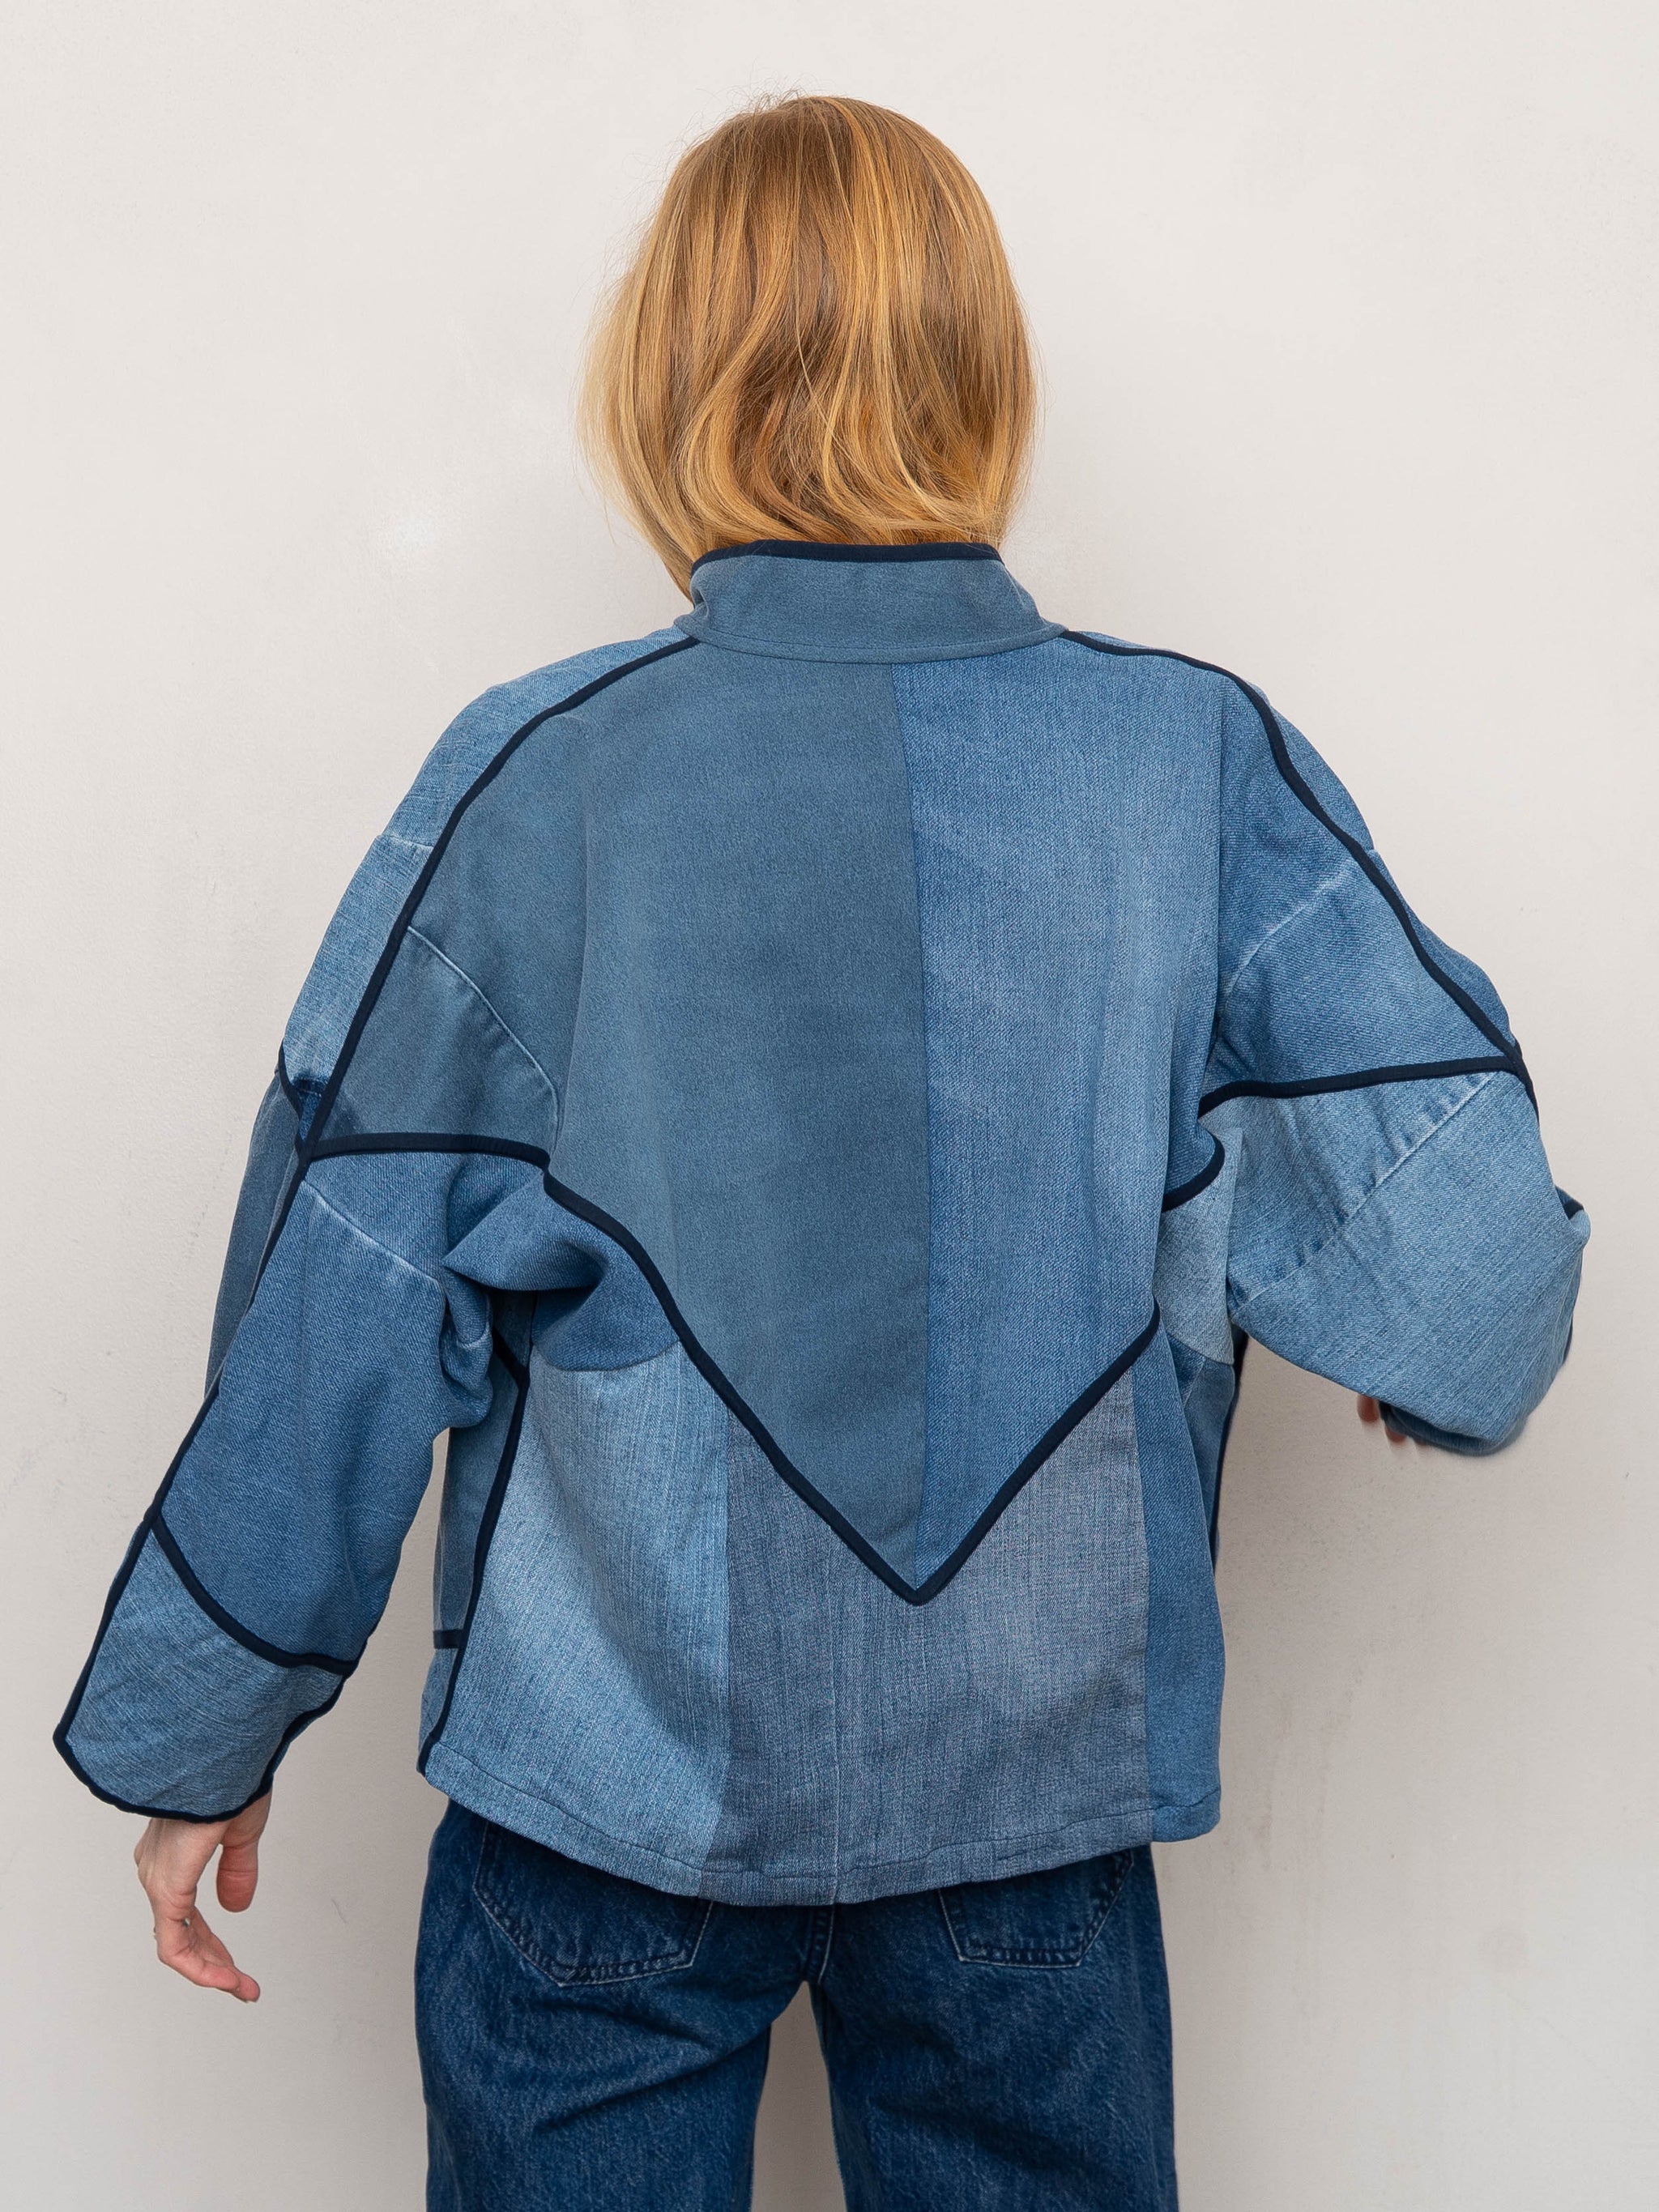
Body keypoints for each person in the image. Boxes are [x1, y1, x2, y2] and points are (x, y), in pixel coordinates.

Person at [57, 95, 1588, 2212]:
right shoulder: (1189, 762)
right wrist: (1427, 1350)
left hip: (607, 1784)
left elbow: (347, 1266)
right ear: (981, 372)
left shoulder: (535, 779)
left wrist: (206, 1726)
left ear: (668, 382)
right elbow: (1467, 1252)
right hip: (1028, 1794)